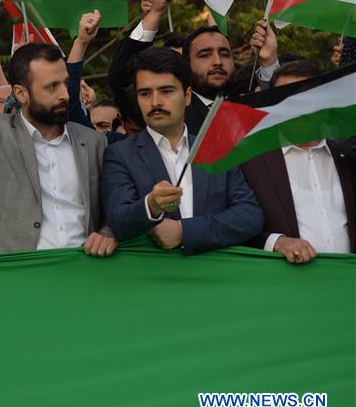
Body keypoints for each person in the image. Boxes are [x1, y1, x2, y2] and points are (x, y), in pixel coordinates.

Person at [0, 43, 115, 256]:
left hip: (80, 268)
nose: (65, 95)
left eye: (65, 83)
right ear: (21, 94)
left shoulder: (94, 142)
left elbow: (113, 206)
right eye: (52, 87)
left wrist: (108, 233)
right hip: (7, 269)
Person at [100, 48, 263, 254]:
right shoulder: (119, 155)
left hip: (215, 270)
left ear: (187, 96)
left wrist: (185, 231)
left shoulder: (217, 150)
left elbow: (250, 216)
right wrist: (151, 205)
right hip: (152, 272)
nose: (155, 102)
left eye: (166, 91)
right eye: (145, 93)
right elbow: (118, 221)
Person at [107, 0, 280, 133]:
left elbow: (284, 113)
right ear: (186, 64)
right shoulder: (170, 110)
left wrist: (270, 60)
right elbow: (121, 78)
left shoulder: (248, 102)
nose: (217, 61)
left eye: (224, 54)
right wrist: (155, 13)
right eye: (205, 55)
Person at [241, 60, 355, 262]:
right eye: (288, 100)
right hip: (285, 279)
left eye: (307, 98)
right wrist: (277, 242)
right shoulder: (250, 163)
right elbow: (234, 228)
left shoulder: (347, 157)